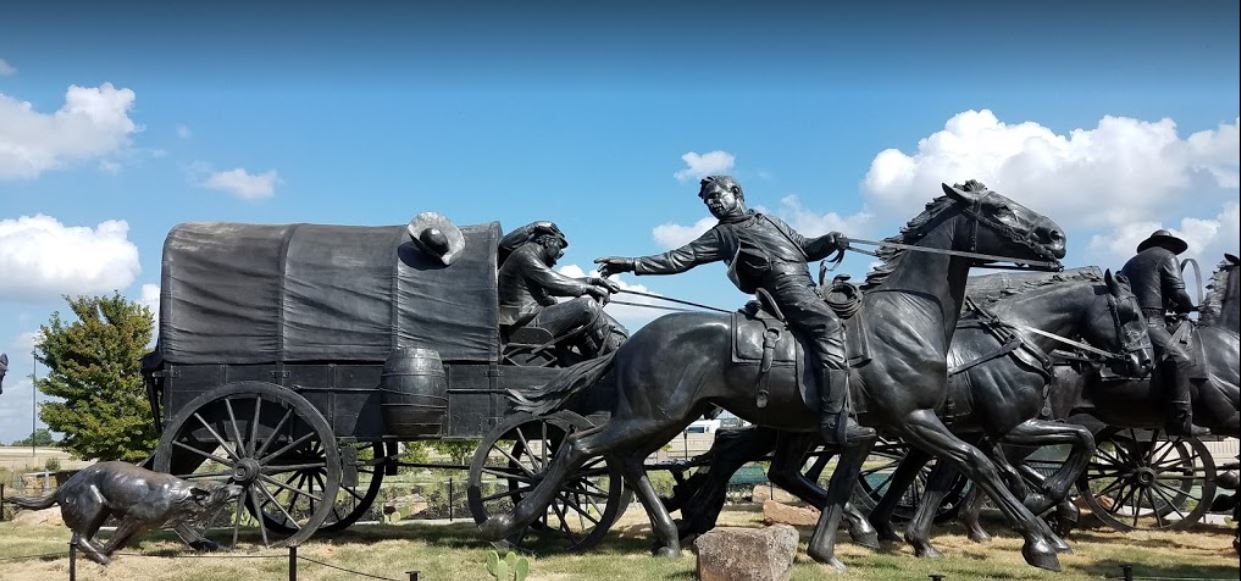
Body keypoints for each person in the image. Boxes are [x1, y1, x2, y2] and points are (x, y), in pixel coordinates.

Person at [595, 175, 871, 446]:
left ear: (736, 192)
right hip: (785, 292)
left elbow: (806, 248)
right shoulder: (722, 234)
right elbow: (679, 259)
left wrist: (830, 240)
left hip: (809, 287)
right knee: (829, 327)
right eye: (708, 201)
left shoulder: (770, 220)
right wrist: (632, 264)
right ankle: (834, 420)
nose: (712, 204)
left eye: (716, 196)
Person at [498, 221, 623, 362]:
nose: (561, 253)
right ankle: (618, 361)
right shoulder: (526, 256)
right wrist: (590, 288)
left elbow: (556, 280)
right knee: (587, 307)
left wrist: (594, 281)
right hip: (527, 321)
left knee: (579, 328)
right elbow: (554, 281)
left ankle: (593, 364)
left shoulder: (530, 256)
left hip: (531, 317)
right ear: (547, 242)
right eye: (559, 245)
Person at [1119, 229, 1199, 435]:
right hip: (1149, 322)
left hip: (1127, 322)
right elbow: (1179, 293)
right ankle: (1180, 420)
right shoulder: (1166, 256)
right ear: (1169, 244)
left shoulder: (1131, 262)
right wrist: (1187, 306)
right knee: (1179, 357)